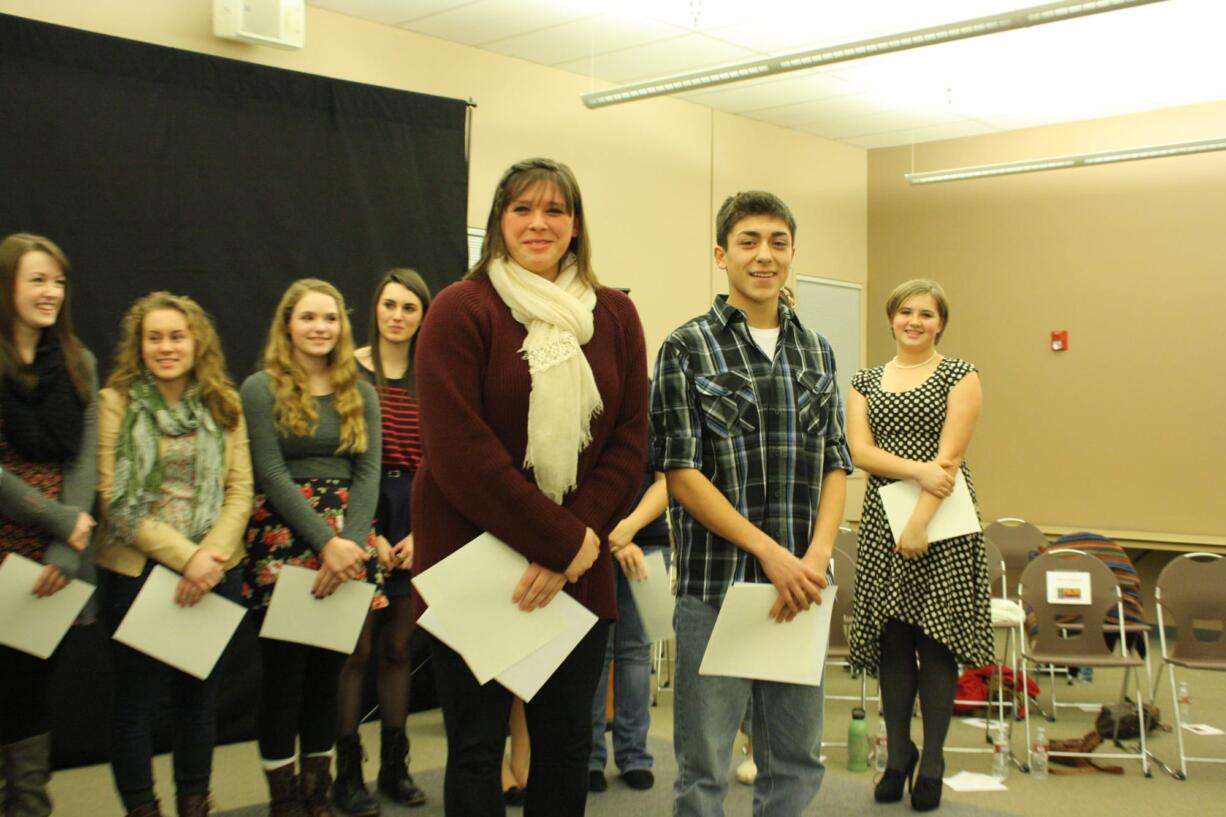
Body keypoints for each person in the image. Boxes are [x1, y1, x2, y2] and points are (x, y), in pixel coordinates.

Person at [413, 157, 648, 816]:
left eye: (554, 210)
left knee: (566, 747)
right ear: (498, 222)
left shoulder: (617, 316)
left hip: (577, 567)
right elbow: (460, 452)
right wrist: (559, 538)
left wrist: (573, 542)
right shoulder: (461, 308)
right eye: (522, 209)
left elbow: (629, 443)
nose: (538, 223)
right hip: (473, 560)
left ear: (575, 226)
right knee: (478, 748)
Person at [650, 191, 851, 817]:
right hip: (717, 590)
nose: (765, 255)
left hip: (800, 591)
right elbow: (681, 474)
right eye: (748, 242)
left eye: (778, 242)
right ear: (721, 254)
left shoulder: (817, 349)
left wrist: (813, 557)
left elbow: (836, 463)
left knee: (795, 762)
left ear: (791, 253)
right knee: (706, 767)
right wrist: (772, 554)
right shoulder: (687, 347)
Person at [95, 292, 253, 817]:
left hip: (214, 573)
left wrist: (210, 558)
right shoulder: (114, 402)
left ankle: (194, 804)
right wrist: (188, 558)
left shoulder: (224, 403)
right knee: (134, 709)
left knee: (197, 702)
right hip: (136, 573)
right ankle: (142, 808)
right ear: (139, 347)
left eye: (177, 336)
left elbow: (240, 491)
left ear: (197, 342)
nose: (167, 347)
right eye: (155, 338)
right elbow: (115, 499)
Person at [845, 278, 991, 812]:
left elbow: (950, 459)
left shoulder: (961, 374)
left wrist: (920, 521)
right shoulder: (864, 380)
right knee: (892, 640)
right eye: (905, 311)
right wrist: (917, 472)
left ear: (941, 323)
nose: (914, 321)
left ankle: (932, 762)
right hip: (885, 516)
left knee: (935, 642)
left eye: (926, 314)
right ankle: (898, 755)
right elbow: (861, 452)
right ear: (891, 319)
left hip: (944, 521)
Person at [241, 279, 383, 817]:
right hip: (284, 541)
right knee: (283, 679)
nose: (320, 328)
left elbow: (368, 469)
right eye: (308, 318)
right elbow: (271, 472)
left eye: (329, 318)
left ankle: (317, 795)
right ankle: (283, 801)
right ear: (288, 325)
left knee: (328, 678)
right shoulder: (260, 387)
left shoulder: (361, 392)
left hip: (350, 544)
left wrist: (351, 544)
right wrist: (325, 543)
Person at [0, 233, 97, 817]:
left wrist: (64, 551)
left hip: (53, 562)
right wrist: (63, 520)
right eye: (38, 279)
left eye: (58, 281)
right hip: (12, 542)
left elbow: (82, 459)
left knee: (30, 693)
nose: (51, 292)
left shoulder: (78, 360)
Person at [333, 269, 431, 815]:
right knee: (356, 652)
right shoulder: (349, 371)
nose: (397, 316)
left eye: (409, 308)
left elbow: (442, 459)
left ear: (423, 315)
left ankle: (396, 767)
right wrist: (362, 532)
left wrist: (423, 532)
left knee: (398, 649)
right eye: (389, 305)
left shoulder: (432, 373)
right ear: (375, 308)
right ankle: (347, 775)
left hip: (416, 515)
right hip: (357, 512)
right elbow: (341, 456)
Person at [587, 462, 667, 794]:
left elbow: (668, 481)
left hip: (650, 539)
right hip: (592, 539)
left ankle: (634, 755)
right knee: (596, 653)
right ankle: (590, 758)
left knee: (636, 653)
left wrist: (628, 530)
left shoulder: (661, 409)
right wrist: (614, 538)